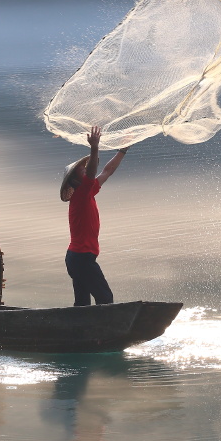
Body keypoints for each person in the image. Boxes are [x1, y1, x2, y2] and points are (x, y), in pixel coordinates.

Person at [60, 125, 127, 306]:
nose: (87, 170)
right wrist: (94, 147)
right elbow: (93, 172)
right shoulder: (80, 194)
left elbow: (107, 171)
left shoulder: (87, 192)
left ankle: (80, 332)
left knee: (82, 304)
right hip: (81, 258)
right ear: (76, 180)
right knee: (105, 299)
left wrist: (122, 150)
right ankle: (104, 331)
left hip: (77, 258)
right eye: (82, 170)